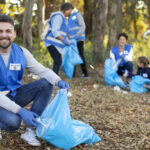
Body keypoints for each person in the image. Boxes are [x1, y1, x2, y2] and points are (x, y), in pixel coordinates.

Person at [0, 14, 69, 146]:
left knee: (46, 83)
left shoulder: (21, 52)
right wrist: (20, 111)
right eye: (0, 31)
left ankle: (29, 130)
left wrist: (58, 81)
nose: (4, 35)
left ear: (14, 34)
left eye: (8, 31)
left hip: (14, 96)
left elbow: (42, 70)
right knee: (14, 122)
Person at [44, 3, 73, 75]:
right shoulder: (58, 17)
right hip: (52, 43)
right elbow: (55, 31)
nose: (71, 12)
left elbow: (62, 32)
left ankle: (55, 78)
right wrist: (64, 40)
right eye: (70, 10)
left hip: (55, 43)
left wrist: (68, 40)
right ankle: (54, 79)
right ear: (66, 9)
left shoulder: (63, 18)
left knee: (58, 61)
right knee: (57, 61)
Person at [68, 8, 88, 78]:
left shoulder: (77, 14)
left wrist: (77, 35)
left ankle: (85, 73)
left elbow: (83, 26)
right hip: (72, 41)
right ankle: (73, 74)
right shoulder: (69, 18)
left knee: (80, 55)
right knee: (73, 56)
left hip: (79, 39)